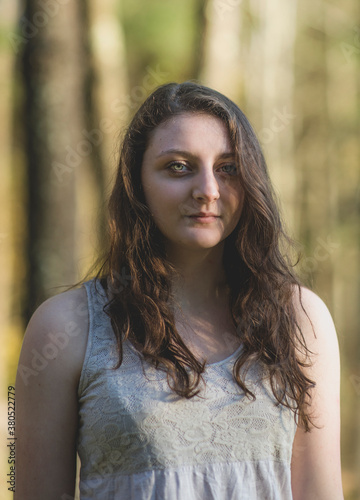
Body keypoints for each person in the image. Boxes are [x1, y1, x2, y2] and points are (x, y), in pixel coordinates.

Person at [15, 81, 343, 499]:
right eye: (178, 166)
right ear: (137, 184)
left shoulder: (300, 318)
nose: (207, 190)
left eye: (227, 168)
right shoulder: (66, 327)